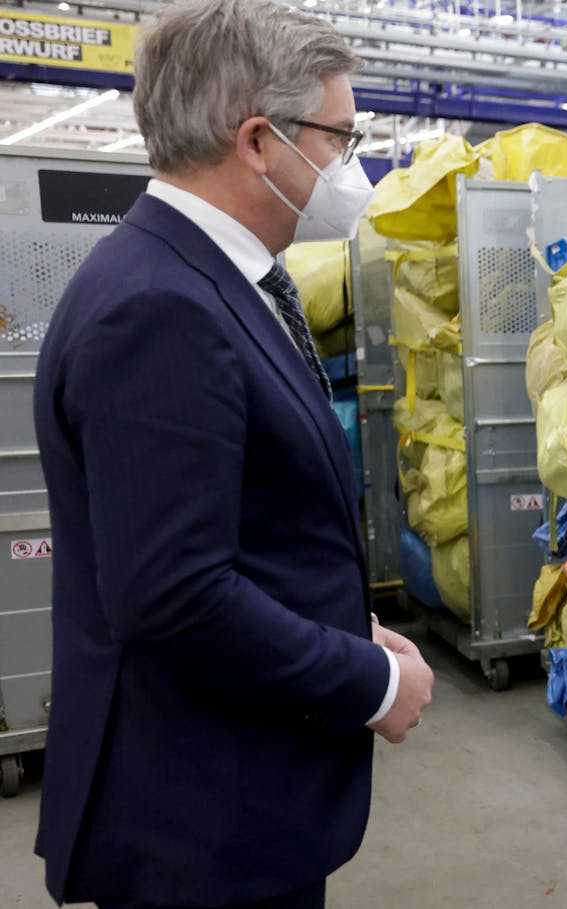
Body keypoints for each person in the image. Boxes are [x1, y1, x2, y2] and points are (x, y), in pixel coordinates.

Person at [31, 2, 433, 907]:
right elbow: (173, 596)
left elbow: (238, 521)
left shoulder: (215, 281)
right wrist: (368, 681)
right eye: (340, 133)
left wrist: (341, 618)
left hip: (232, 798)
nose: (350, 161)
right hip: (200, 824)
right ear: (258, 141)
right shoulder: (159, 309)